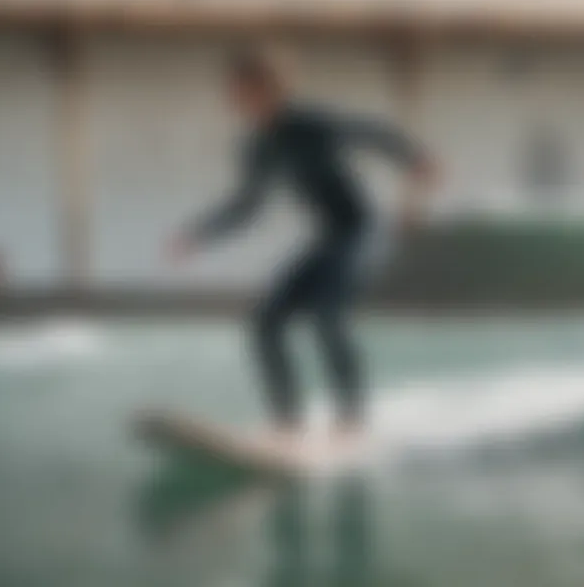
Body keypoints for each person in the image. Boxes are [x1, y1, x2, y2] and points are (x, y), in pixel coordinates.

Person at [166, 47, 437, 445]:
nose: (232, 100)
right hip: (328, 238)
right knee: (265, 321)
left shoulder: (310, 123)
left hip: (362, 232)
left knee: (327, 316)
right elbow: (246, 206)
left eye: (239, 91)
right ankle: (287, 421)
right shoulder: (257, 146)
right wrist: (199, 234)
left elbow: (373, 132)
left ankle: (351, 419)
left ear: (266, 89)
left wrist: (415, 159)